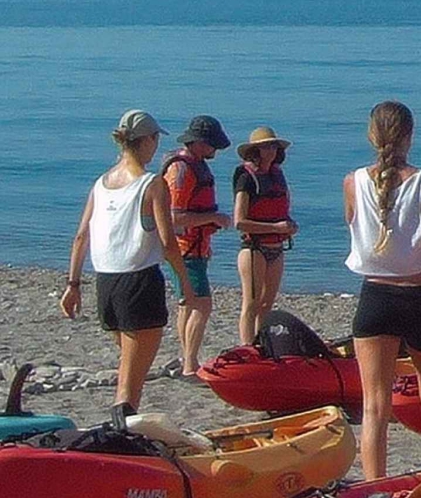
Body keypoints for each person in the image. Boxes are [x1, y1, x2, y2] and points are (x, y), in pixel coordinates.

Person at [345, 101, 421, 479]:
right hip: (420, 298)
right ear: (409, 136)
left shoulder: (352, 182)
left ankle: (374, 487)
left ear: (371, 136)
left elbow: (358, 229)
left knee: (374, 407)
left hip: (374, 298)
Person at [61, 111, 198, 414]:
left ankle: (121, 428)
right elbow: (168, 243)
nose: (156, 146)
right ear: (146, 140)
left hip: (106, 285)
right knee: (130, 386)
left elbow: (81, 236)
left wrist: (73, 284)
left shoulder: (102, 183)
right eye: (155, 139)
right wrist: (185, 285)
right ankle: (121, 433)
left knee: (128, 368)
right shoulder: (152, 184)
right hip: (139, 282)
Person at [161, 115, 232, 376]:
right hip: (185, 248)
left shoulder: (194, 165)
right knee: (202, 305)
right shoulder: (182, 170)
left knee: (188, 304)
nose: (215, 151)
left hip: (195, 247)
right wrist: (213, 218)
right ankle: (190, 365)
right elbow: (175, 217)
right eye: (212, 145)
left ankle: (186, 359)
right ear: (200, 143)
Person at [233, 126, 297, 345]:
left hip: (277, 247)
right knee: (250, 304)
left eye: (273, 146)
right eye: (265, 147)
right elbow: (239, 222)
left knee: (266, 304)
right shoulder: (246, 178)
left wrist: (289, 225)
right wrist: (276, 228)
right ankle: (247, 347)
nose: (270, 150)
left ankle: (262, 344)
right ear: (255, 151)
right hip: (254, 249)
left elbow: (283, 209)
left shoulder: (277, 175)